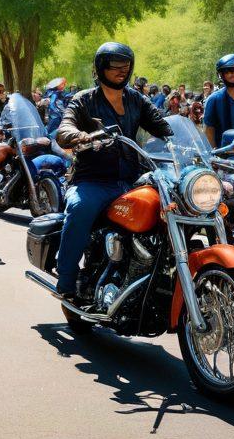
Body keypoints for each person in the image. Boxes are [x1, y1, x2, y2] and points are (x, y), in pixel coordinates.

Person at [53, 42, 170, 300]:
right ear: (100, 68)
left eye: (125, 64)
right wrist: (79, 136)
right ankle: (67, 280)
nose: (121, 69)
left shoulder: (137, 100)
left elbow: (164, 126)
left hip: (132, 180)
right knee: (79, 208)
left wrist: (181, 141)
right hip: (94, 179)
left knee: (174, 206)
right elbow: (64, 129)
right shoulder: (84, 100)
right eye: (114, 64)